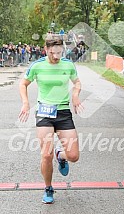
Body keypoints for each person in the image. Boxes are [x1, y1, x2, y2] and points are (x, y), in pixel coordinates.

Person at [19, 38, 82, 204]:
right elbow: (23, 84)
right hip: (44, 112)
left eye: (59, 53)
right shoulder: (37, 66)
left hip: (63, 112)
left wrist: (75, 95)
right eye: (53, 53)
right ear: (46, 50)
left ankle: (60, 155)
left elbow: (77, 82)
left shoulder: (68, 64)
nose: (56, 56)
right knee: (46, 155)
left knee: (74, 156)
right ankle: (48, 188)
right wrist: (26, 103)